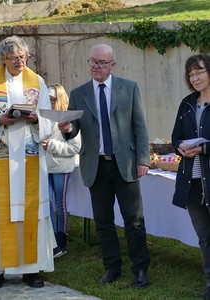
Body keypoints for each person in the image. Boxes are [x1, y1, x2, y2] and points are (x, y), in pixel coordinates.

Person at [58, 44, 151, 288]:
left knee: (134, 220)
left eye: (101, 63)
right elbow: (74, 128)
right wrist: (68, 130)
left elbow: (140, 125)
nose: (95, 67)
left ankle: (140, 269)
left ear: (113, 65)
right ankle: (112, 268)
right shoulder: (78, 93)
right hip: (95, 166)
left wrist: (143, 159)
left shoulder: (129, 88)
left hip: (126, 165)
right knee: (103, 222)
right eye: (92, 62)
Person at [0, 35, 55, 289]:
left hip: (29, 158)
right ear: (3, 58)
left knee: (30, 211)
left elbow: (48, 117)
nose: (20, 61)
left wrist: (38, 120)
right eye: (14, 58)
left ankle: (31, 270)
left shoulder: (36, 82)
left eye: (23, 57)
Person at [171, 53, 210, 299]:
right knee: (205, 237)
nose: (194, 78)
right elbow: (176, 136)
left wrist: (204, 149)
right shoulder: (186, 104)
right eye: (190, 74)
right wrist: (180, 148)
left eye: (199, 72)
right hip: (192, 182)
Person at [42, 84, 81, 258]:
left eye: (52, 99)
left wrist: (50, 145)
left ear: (60, 99)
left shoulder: (68, 119)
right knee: (47, 203)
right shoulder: (44, 118)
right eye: (47, 99)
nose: (49, 103)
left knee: (60, 204)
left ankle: (62, 242)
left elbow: (75, 147)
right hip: (45, 166)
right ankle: (50, 241)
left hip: (61, 167)